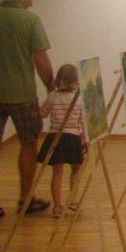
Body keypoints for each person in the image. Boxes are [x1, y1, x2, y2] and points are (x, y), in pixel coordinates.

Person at [0, 0, 54, 222]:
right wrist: (51, 87)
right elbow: (41, 60)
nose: (31, 3)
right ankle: (25, 200)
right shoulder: (30, 20)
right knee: (29, 142)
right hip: (22, 94)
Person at [38, 64, 87, 218]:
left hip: (56, 138)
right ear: (75, 80)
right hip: (73, 138)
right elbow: (82, 121)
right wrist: (85, 139)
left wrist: (39, 105)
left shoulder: (53, 96)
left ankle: (57, 207)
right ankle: (72, 202)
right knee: (76, 170)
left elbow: (43, 114)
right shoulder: (78, 98)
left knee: (57, 173)